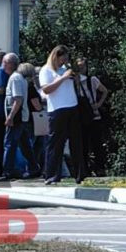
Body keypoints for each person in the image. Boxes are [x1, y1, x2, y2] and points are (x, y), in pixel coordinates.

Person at [39, 45, 85, 185]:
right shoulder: (46, 70)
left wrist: (75, 77)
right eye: (61, 58)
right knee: (55, 144)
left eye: (66, 58)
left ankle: (79, 175)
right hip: (57, 109)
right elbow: (46, 89)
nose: (64, 61)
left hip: (72, 107)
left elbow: (75, 85)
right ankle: (52, 175)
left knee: (76, 142)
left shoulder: (66, 69)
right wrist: (62, 78)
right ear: (55, 57)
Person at [0, 54, 40, 181]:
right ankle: (34, 168)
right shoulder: (20, 78)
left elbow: (18, 99)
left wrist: (10, 117)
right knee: (24, 144)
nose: (3, 65)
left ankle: (7, 172)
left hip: (16, 116)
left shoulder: (15, 78)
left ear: (11, 64)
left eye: (5, 63)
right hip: (21, 116)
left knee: (9, 144)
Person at [75, 56, 108, 176]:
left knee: (97, 144)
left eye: (82, 66)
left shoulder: (92, 80)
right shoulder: (74, 81)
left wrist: (98, 104)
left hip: (94, 115)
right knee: (83, 144)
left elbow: (104, 90)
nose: (81, 68)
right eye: (78, 66)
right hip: (81, 116)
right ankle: (85, 169)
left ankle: (100, 168)